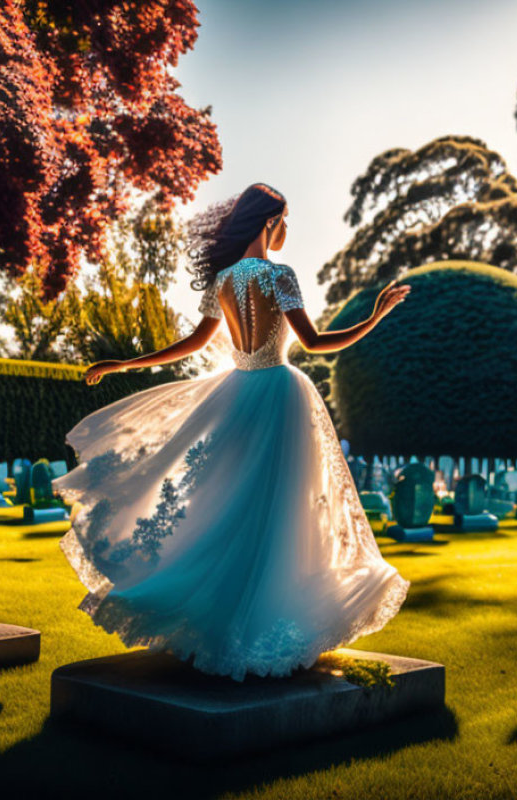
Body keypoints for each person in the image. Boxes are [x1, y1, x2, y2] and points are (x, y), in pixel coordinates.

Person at [52, 182, 412, 682]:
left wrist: (125, 364)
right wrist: (377, 316)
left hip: (238, 393)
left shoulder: (222, 280)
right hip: (280, 395)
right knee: (277, 511)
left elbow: (190, 344)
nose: (286, 229)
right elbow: (315, 342)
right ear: (270, 221)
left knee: (232, 507)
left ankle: (226, 618)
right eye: (284, 219)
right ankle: (263, 624)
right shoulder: (278, 274)